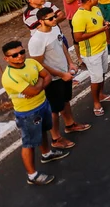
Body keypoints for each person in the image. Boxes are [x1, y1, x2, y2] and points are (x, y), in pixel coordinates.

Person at [0, 40, 69, 185]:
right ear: (7, 59)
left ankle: (46, 153)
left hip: (42, 104)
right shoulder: (10, 76)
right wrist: (39, 83)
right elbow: (34, 90)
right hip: (28, 113)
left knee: (43, 130)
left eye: (21, 52)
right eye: (14, 55)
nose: (19, 56)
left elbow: (48, 76)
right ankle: (32, 175)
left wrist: (37, 86)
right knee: (29, 143)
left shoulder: (31, 62)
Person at [28, 8, 89, 150]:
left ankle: (70, 124)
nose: (54, 20)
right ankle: (56, 138)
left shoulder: (55, 29)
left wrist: (70, 63)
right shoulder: (37, 40)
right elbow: (39, 63)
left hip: (64, 73)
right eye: (50, 19)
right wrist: (61, 75)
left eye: (55, 17)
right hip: (53, 79)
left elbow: (62, 46)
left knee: (66, 101)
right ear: (41, 21)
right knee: (54, 110)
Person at [71, 0, 110, 117]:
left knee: (102, 73)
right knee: (96, 78)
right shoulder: (79, 17)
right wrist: (101, 30)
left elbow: (100, 22)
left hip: (102, 47)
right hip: (91, 53)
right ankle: (96, 102)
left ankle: (101, 94)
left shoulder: (96, 9)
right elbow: (78, 37)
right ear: (89, 0)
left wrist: (105, 24)